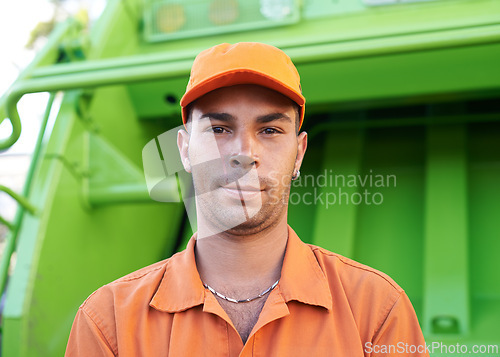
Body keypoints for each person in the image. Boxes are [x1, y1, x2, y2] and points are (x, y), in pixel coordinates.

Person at [65, 42, 429, 356]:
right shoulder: (108, 320)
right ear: (185, 150)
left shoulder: (377, 310)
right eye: (219, 129)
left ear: (298, 154)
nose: (244, 152)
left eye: (269, 130)